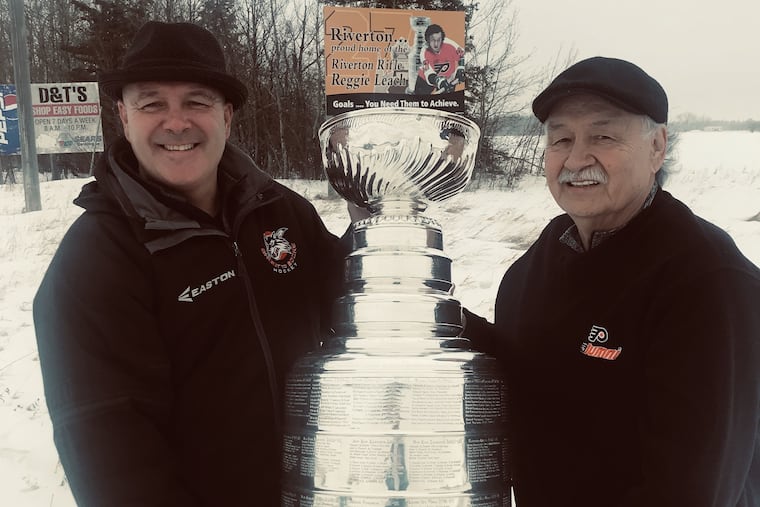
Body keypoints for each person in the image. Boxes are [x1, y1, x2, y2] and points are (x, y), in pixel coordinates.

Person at [33, 21, 349, 506]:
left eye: (196, 102)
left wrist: (505, 349)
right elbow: (111, 461)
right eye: (152, 103)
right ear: (123, 116)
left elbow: (362, 300)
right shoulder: (96, 260)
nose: (176, 123)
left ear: (226, 117)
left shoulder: (280, 212)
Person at [464, 56, 760, 506]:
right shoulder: (537, 264)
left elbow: (693, 491)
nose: (577, 158)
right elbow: (530, 370)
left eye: (603, 135)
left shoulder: (706, 280)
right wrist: (436, 318)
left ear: (657, 147)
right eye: (561, 138)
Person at [413, 23, 465, 95]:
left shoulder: (450, 44)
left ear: (442, 39)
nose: (436, 44)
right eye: (433, 40)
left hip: (448, 78)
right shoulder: (424, 52)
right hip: (426, 79)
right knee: (419, 99)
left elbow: (462, 55)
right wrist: (439, 81)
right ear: (427, 40)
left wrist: (461, 68)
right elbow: (428, 73)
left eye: (438, 40)